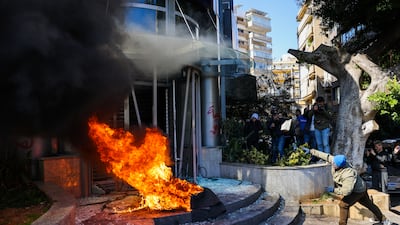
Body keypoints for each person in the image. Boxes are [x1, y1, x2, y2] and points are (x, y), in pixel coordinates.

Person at [326, 155, 387, 225]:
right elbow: (326, 156)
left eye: (334, 164)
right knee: (369, 204)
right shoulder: (336, 160)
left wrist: (334, 190)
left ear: (339, 165)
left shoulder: (348, 174)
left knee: (343, 205)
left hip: (357, 191)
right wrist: (312, 151)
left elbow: (346, 191)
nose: (332, 164)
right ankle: (382, 218)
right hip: (362, 187)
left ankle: (342, 224)